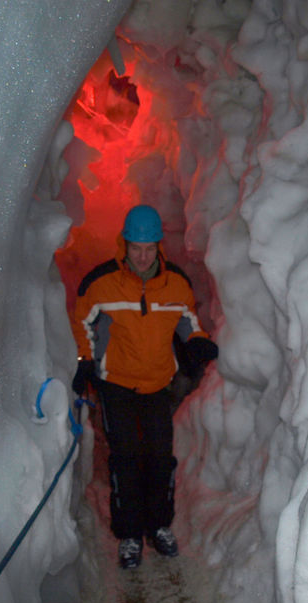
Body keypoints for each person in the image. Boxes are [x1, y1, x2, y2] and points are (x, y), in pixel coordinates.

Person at [71, 204, 218, 569]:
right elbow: (82, 321)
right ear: (125, 244)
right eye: (136, 247)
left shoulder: (176, 283)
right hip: (116, 384)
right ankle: (130, 535)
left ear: (158, 246)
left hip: (156, 384)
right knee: (125, 458)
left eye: (149, 248)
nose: (142, 256)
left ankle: (159, 526)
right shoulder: (101, 282)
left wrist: (197, 339)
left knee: (158, 457)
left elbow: (187, 321)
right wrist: (86, 361)